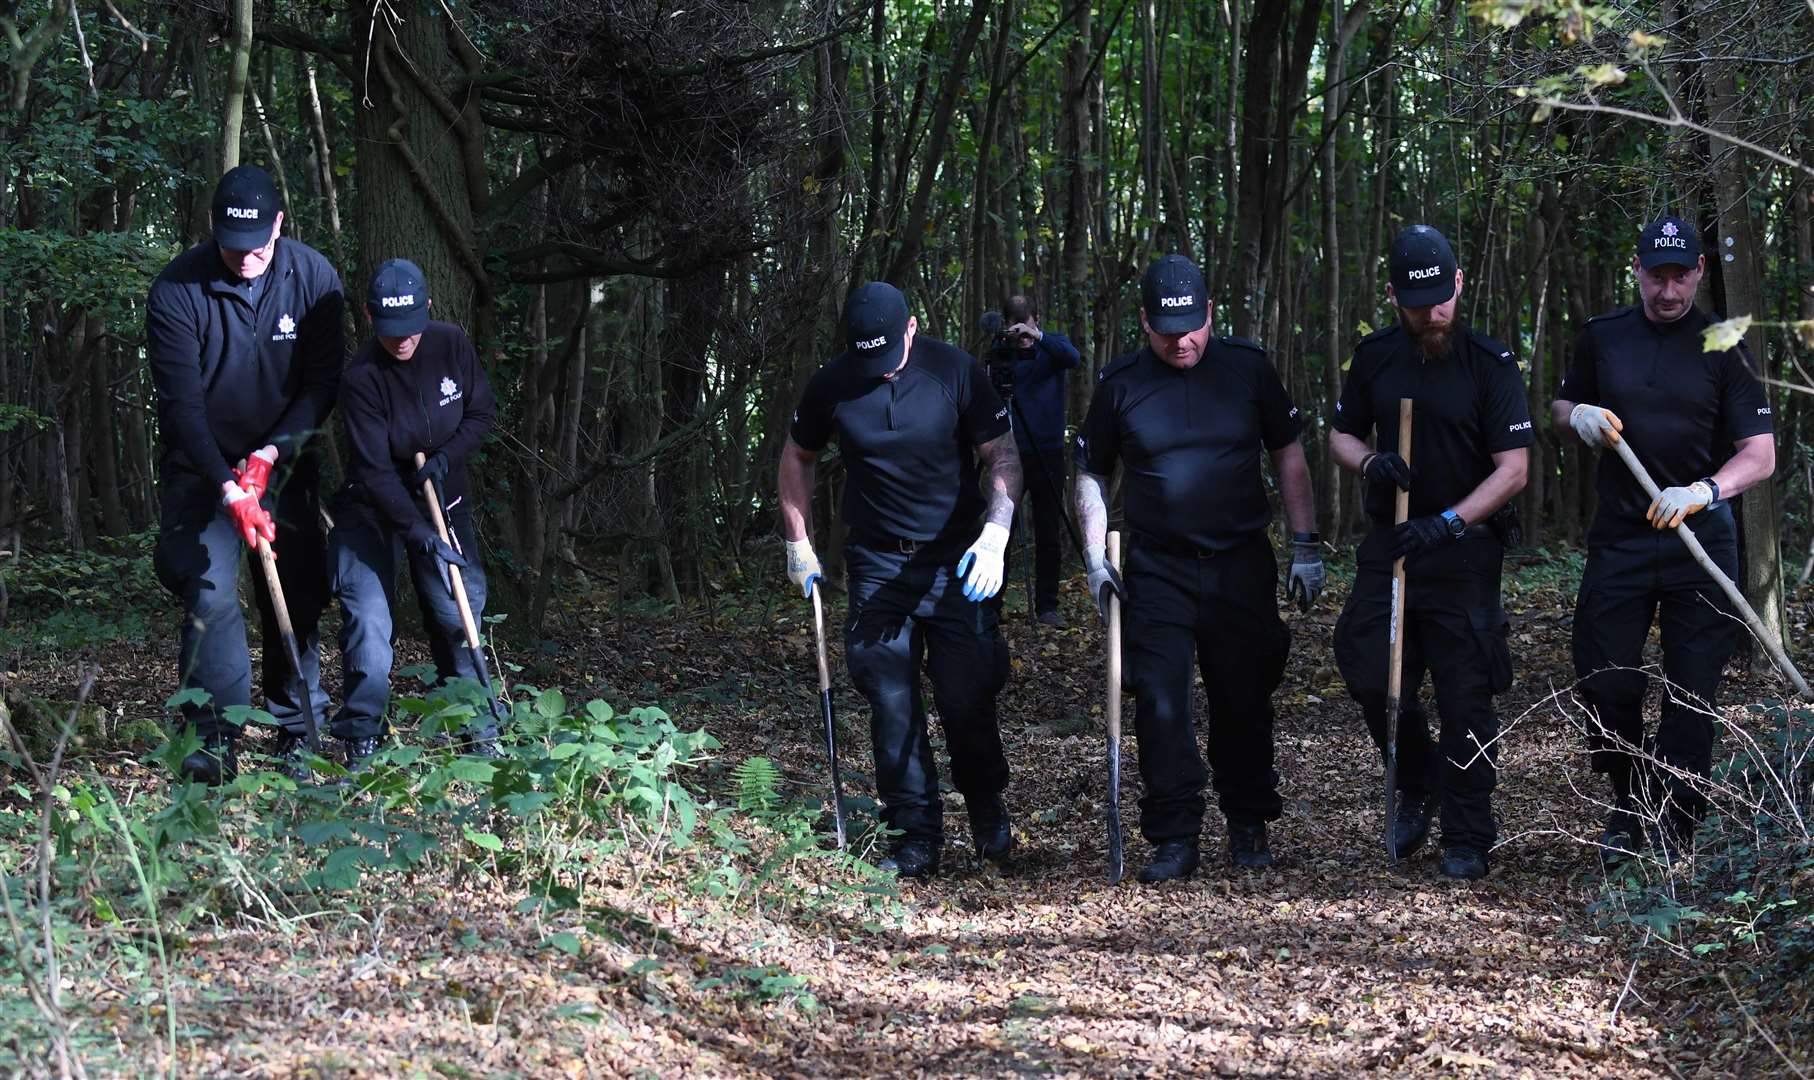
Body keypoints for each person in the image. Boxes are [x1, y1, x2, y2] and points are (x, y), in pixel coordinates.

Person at [1073, 254, 1323, 882]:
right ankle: (1174, 832)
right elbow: (1091, 474)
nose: (1180, 341)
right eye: (1165, 330)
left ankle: (1248, 822)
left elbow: (1289, 454)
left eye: (1190, 326)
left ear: (1210, 314)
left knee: (1244, 696)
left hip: (1240, 561)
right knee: (1159, 700)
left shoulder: (1248, 369)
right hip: (1155, 567)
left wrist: (1306, 544)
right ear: (1143, 323)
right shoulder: (1120, 383)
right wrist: (1096, 559)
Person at [778, 282, 1024, 879]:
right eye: (868, 360)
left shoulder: (955, 372)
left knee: (966, 698)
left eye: (887, 357)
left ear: (910, 329)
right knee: (890, 701)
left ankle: (988, 813)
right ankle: (915, 834)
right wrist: (797, 542)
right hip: (878, 562)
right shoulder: (833, 383)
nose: (880, 373)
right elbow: (796, 455)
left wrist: (995, 535)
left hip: (958, 560)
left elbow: (1004, 457)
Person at [1552, 214, 1776, 861]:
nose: (1669, 290)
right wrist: (1579, 417)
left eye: (1681, 276)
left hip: (1698, 542)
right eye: (1657, 276)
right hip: (1621, 538)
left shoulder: (1724, 345)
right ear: (1638, 270)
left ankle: (1675, 828)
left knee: (1692, 692)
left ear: (1700, 272)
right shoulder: (1603, 339)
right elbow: (1561, 409)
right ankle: (1628, 798)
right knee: (1605, 678)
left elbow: (1759, 455)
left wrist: (1706, 490)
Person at [1329, 225, 1530, 881]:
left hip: (1462, 553)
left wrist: (1449, 522)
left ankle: (1468, 832)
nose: (1432, 313)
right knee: (1367, 669)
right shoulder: (1376, 357)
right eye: (1418, 304)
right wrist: (1371, 463)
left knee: (1465, 697)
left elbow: (1513, 470)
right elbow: (1340, 436)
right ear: (1394, 296)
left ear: (1459, 285)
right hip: (1390, 545)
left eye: (1441, 300)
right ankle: (1418, 780)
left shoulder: (1490, 366)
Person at [146, 165, 343, 783]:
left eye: (260, 240)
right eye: (235, 244)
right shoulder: (178, 289)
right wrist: (229, 485)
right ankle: (213, 738)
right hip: (203, 470)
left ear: (279, 225)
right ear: (214, 232)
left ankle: (297, 730)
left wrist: (270, 456)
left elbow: (322, 383)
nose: (249, 254)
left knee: (299, 587)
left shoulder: (313, 278)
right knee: (209, 591)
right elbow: (181, 405)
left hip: (284, 466)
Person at [330, 260, 499, 767]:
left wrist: (448, 457)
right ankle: (364, 734)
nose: (401, 342)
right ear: (368, 317)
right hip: (375, 505)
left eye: (410, 330)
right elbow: (377, 472)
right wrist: (418, 532)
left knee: (456, 608)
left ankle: (477, 727)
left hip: (442, 493)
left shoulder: (450, 344)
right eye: (389, 332)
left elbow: (480, 411)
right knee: (368, 616)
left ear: (428, 309)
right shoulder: (361, 377)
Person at [981, 295, 1081, 626]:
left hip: (1048, 451)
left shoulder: (1052, 348)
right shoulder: (999, 356)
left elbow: (1073, 357)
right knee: (1000, 528)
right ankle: (992, 605)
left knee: (1048, 529)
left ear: (1036, 319)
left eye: (1028, 327)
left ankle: (1047, 606)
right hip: (1007, 455)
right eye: (1017, 329)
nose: (1022, 336)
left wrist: (1037, 337)